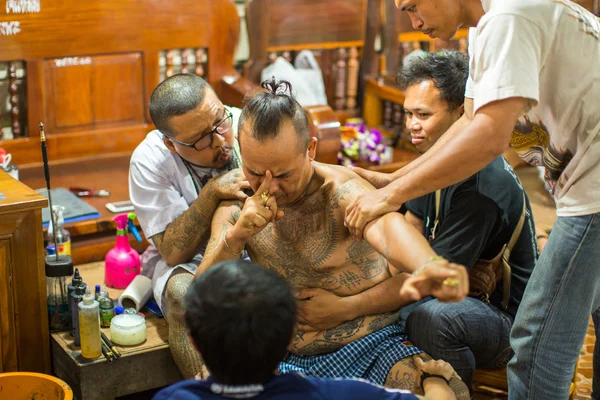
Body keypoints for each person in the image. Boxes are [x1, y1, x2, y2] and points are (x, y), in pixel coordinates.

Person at [345, 1, 600, 399]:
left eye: (412, 7)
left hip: (593, 191)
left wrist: (391, 194)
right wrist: (392, 179)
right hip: (582, 187)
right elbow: (468, 121)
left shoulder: (508, 17)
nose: (414, 22)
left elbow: (489, 135)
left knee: (537, 344)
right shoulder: (484, 31)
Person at [194, 78, 471, 399]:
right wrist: (238, 234)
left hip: (370, 344)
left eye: (283, 174)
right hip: (275, 356)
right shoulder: (237, 203)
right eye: (256, 172)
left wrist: (428, 264)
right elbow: (201, 294)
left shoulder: (341, 191)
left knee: (437, 389)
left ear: (310, 149)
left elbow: (387, 228)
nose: (270, 186)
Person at [298, 50, 537, 393]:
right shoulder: (434, 163)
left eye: (423, 114)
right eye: (409, 113)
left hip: (507, 322)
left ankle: (456, 389)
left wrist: (342, 309)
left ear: (462, 113)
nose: (411, 124)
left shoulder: (481, 189)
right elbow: (409, 231)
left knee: (428, 318)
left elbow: (427, 282)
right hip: (459, 292)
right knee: (396, 307)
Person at [153, 259, 460, 400]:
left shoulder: (174, 397)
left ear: (194, 341)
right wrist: (435, 380)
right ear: (290, 335)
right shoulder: (336, 394)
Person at [129, 73, 250, 378]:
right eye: (201, 139)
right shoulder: (150, 160)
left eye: (220, 121)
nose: (221, 140)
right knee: (186, 296)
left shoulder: (247, 123)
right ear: (171, 143)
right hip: (188, 261)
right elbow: (171, 252)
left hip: (260, 242)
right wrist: (210, 193)